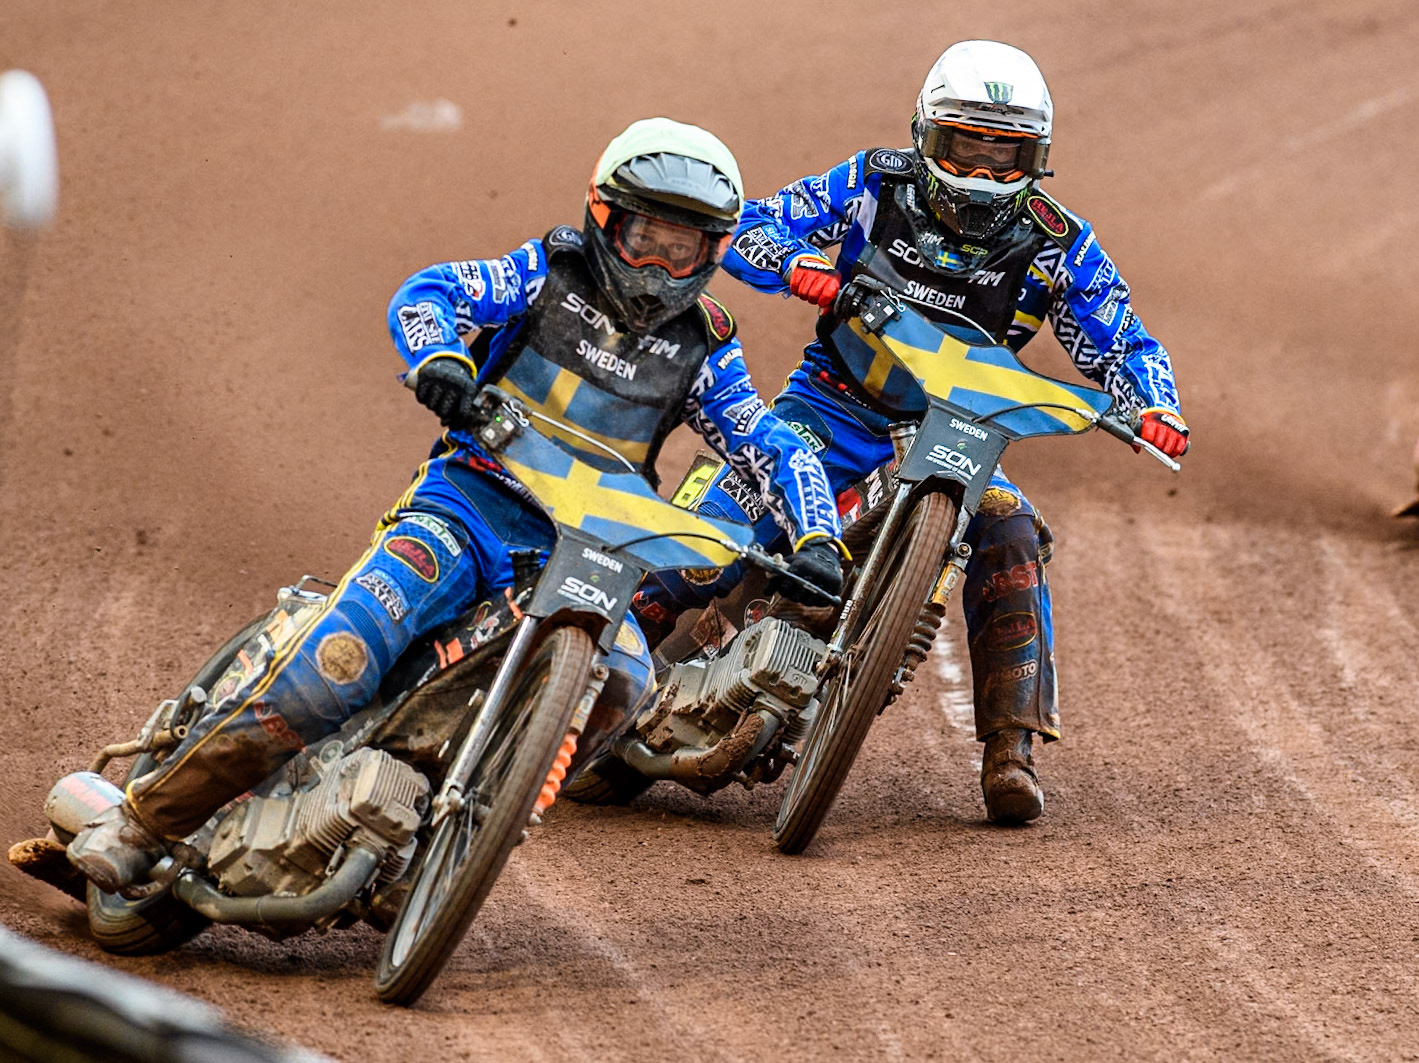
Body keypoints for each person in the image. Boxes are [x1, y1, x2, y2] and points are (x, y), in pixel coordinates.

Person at [66, 117, 846, 892]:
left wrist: (815, 536)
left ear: (711, 253)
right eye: (645, 235)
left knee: (625, 684)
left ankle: (456, 826)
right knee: (330, 672)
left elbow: (773, 442)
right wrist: (440, 360)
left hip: (584, 549)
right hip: (465, 510)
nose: (656, 264)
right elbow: (430, 292)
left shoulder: (706, 343)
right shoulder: (545, 273)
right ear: (604, 217)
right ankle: (141, 822)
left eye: (681, 247)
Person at [632, 41, 1190, 825]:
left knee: (1011, 528)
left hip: (958, 431)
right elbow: (754, 223)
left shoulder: (1060, 242)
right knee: (707, 543)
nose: (985, 173)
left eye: (1008, 154)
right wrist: (799, 266)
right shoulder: (871, 182)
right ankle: (589, 672)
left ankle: (1009, 750)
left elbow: (1122, 340)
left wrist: (1152, 405)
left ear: (1039, 157)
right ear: (928, 134)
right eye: (968, 145)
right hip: (829, 408)